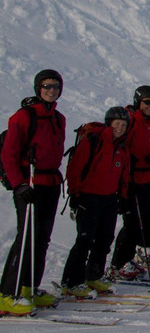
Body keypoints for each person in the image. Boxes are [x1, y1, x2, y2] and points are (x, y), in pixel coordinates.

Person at [0, 70, 66, 315]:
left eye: (56, 86)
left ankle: (29, 288)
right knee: (26, 238)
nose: (51, 90)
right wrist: (19, 184)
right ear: (38, 88)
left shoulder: (58, 118)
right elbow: (8, 153)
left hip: (50, 182)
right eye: (47, 86)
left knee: (42, 239)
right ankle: (8, 293)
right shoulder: (24, 116)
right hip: (29, 183)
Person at [60, 107, 130, 297]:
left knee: (104, 238)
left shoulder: (122, 147)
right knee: (85, 239)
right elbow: (75, 167)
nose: (119, 128)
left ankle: (93, 276)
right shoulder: (94, 140)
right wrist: (74, 193)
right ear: (109, 123)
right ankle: (71, 281)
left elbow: (124, 174)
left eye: (123, 125)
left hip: (109, 197)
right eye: (116, 124)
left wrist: (123, 196)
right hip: (88, 197)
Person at [108, 86, 150, 280]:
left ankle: (130, 258)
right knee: (131, 223)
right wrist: (130, 160)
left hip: (148, 178)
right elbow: (118, 145)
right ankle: (118, 264)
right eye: (147, 102)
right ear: (138, 102)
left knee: (146, 219)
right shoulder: (130, 121)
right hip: (131, 180)